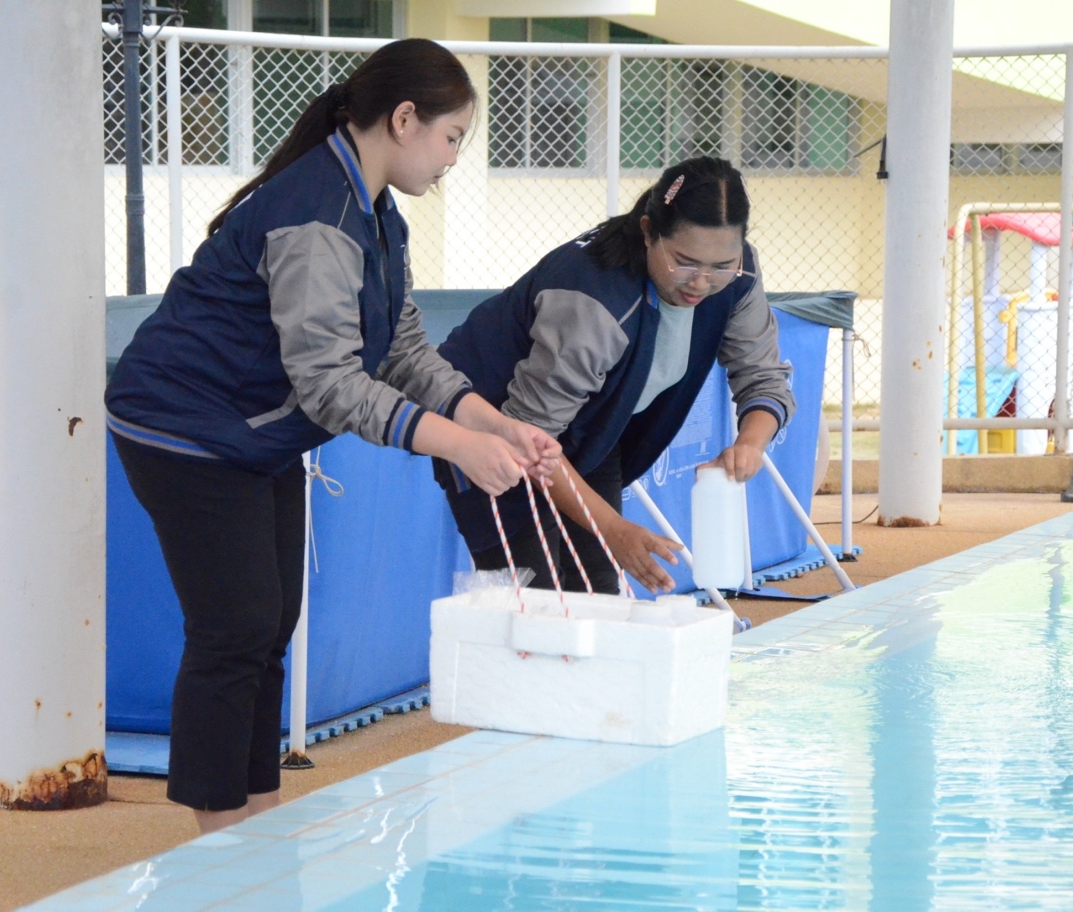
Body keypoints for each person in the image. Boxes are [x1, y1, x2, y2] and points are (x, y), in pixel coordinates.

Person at [104, 38, 558, 834]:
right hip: (184, 426)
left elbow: (403, 349)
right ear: (405, 119)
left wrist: (491, 422)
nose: (454, 159)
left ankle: (259, 821)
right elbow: (329, 384)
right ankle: (219, 850)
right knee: (235, 629)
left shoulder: (375, 211)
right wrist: (455, 446)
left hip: (251, 431)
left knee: (269, 623)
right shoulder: (319, 216)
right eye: (452, 137)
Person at [435, 156, 795, 596]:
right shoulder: (595, 301)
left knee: (597, 590)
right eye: (684, 262)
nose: (702, 282)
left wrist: (750, 444)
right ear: (648, 231)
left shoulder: (739, 276)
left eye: (721, 265)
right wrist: (613, 529)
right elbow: (527, 437)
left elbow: (763, 375)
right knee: (531, 599)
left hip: (593, 426)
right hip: (495, 428)